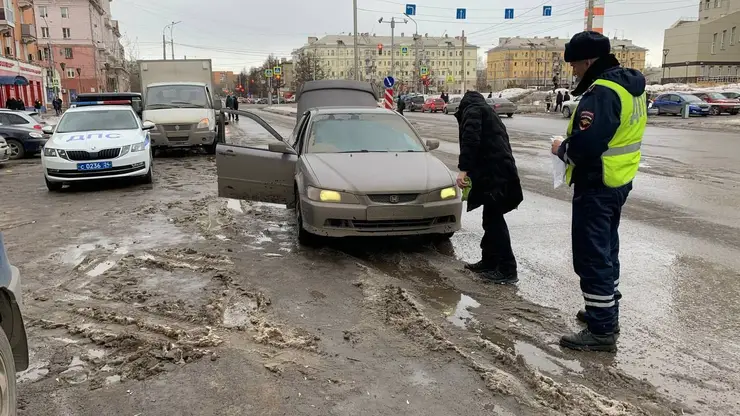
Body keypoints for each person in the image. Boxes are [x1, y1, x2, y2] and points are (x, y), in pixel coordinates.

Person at [551, 31, 646, 352]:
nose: (573, 70)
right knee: (607, 248)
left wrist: (561, 149)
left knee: (591, 254)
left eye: (575, 64)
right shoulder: (629, 87)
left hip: (597, 183)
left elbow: (587, 145)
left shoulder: (602, 92)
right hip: (618, 180)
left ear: (589, 60)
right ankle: (603, 308)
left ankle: (602, 328)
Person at [456, 91, 523, 284]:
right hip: (499, 172)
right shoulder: (486, 111)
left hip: (495, 175)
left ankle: (507, 270)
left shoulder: (472, 111)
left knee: (494, 221)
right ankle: (489, 261)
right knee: (490, 218)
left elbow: (471, 140)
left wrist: (464, 170)